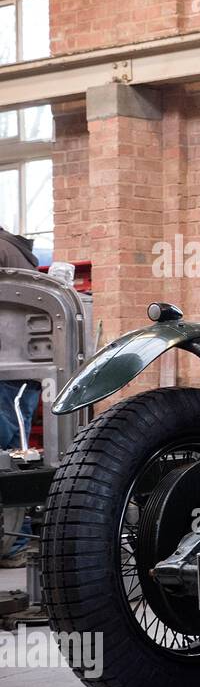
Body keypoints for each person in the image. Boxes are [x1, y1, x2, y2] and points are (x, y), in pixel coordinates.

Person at [0, 224, 42, 567]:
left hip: (7, 369)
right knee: (17, 452)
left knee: (7, 455)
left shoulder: (1, 251)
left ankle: (13, 544)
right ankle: (15, 541)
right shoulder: (19, 253)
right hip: (27, 370)